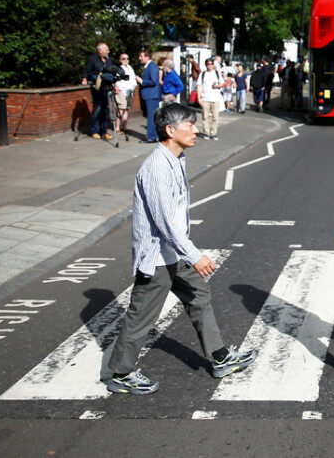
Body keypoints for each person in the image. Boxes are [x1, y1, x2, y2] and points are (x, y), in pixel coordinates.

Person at [104, 103, 257, 394]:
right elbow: (164, 222)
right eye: (189, 125)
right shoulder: (157, 167)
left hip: (174, 252)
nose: (196, 129)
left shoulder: (177, 158)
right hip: (159, 257)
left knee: (199, 296)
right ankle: (120, 373)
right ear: (170, 130)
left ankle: (220, 357)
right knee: (141, 316)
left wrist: (186, 253)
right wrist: (195, 255)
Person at [81, 42, 116, 140]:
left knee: (105, 109)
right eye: (106, 50)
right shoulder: (93, 59)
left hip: (106, 87)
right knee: (97, 108)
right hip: (97, 87)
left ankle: (103, 132)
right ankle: (94, 131)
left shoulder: (109, 60)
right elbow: (87, 70)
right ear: (100, 51)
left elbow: (112, 72)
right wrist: (84, 79)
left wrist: (115, 84)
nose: (108, 51)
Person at [137, 50, 161, 143]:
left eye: (141, 56)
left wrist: (141, 81)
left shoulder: (152, 67)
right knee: (152, 116)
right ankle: (154, 136)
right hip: (151, 95)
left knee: (151, 117)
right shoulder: (150, 66)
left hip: (152, 95)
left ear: (147, 57)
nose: (140, 58)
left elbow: (154, 81)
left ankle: (151, 137)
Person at [197, 58, 222, 140]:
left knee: (215, 117)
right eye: (208, 64)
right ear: (206, 65)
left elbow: (222, 84)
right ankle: (206, 132)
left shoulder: (217, 74)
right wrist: (199, 98)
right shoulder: (203, 74)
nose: (210, 65)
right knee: (205, 117)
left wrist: (216, 86)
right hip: (205, 98)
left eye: (211, 64)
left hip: (215, 98)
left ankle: (214, 133)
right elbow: (199, 86)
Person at [113, 52, 137, 134]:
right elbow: (115, 80)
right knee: (120, 109)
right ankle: (117, 127)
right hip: (122, 91)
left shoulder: (130, 68)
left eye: (127, 58)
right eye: (123, 58)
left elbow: (133, 79)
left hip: (129, 92)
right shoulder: (119, 69)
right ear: (120, 60)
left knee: (126, 109)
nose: (126, 60)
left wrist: (133, 87)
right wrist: (116, 87)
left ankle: (124, 127)